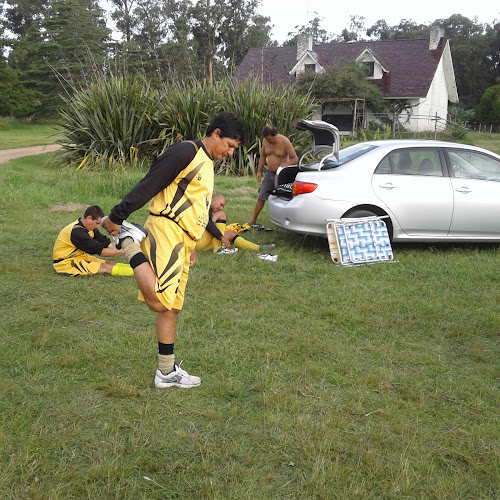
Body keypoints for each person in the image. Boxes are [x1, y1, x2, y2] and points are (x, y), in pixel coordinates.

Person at [101, 112, 246, 389]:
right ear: (215, 133)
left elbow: (200, 208)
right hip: (167, 231)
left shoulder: (207, 162)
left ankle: (166, 371)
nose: (229, 152)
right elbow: (150, 183)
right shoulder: (186, 152)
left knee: (171, 309)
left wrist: (198, 242)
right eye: (229, 145)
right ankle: (129, 242)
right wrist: (117, 217)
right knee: (159, 302)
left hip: (183, 241)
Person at [52, 205, 133, 276]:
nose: (98, 226)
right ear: (89, 218)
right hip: (64, 263)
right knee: (105, 267)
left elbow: (106, 243)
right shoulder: (77, 232)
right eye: (97, 223)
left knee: (107, 263)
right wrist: (124, 251)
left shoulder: (89, 228)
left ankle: (138, 268)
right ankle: (139, 273)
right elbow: (100, 251)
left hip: (79, 257)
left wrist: (123, 246)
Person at [248, 125, 298, 226]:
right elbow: (262, 156)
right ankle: (252, 220)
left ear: (275, 135)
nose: (268, 142)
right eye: (266, 139)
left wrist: (287, 164)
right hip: (269, 173)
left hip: (282, 175)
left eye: (270, 140)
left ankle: (287, 221)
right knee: (262, 195)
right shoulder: (265, 141)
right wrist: (259, 171)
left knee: (283, 198)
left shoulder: (284, 141)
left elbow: (295, 159)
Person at [195, 193, 274, 254]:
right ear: (214, 199)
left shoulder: (205, 207)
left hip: (200, 243)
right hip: (197, 241)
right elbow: (208, 224)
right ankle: (219, 249)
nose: (221, 208)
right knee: (222, 214)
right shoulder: (205, 205)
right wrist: (221, 237)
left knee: (230, 233)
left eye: (223, 207)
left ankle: (258, 248)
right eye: (221, 204)